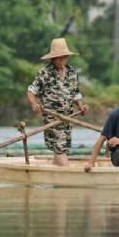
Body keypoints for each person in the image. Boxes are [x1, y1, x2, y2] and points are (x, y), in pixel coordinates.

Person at [26, 38, 89, 166]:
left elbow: (76, 94)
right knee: (60, 146)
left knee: (63, 148)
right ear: (52, 59)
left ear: (67, 57)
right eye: (58, 58)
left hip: (67, 118)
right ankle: (68, 175)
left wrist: (81, 107)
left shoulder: (72, 73)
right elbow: (31, 91)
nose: (61, 61)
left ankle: (54, 171)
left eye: (63, 58)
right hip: (52, 119)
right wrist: (34, 104)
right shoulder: (45, 73)